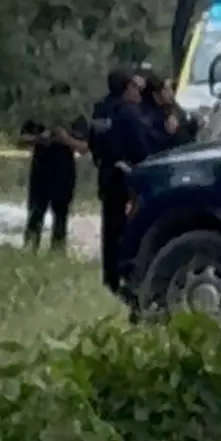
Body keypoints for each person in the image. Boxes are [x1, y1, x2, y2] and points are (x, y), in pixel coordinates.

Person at [88, 68, 155, 291]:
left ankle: (109, 277)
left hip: (105, 174)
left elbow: (92, 142)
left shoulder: (99, 110)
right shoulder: (128, 112)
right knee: (127, 227)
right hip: (125, 177)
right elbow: (140, 146)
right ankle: (125, 275)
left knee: (109, 227)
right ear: (127, 87)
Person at [19, 87, 89, 252]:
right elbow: (21, 139)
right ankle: (30, 246)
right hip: (41, 169)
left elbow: (84, 147)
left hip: (64, 170)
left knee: (61, 214)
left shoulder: (76, 117)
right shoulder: (39, 116)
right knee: (36, 210)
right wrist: (39, 138)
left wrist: (66, 139)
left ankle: (57, 250)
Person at [142, 72, 199, 149]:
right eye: (167, 90)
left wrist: (195, 123)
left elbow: (184, 122)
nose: (171, 93)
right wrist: (172, 132)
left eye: (172, 89)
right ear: (156, 93)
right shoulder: (150, 114)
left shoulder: (171, 105)